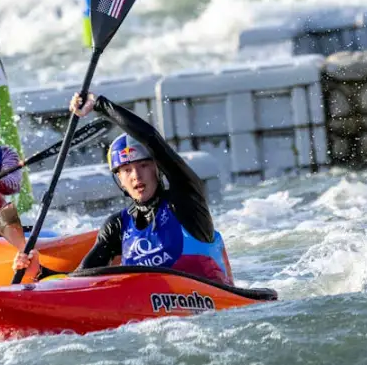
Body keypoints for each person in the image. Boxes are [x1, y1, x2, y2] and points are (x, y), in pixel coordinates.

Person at [13, 92, 234, 286]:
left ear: (157, 169)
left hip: (212, 306)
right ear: (118, 179)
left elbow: (152, 139)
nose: (136, 176)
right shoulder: (117, 226)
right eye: (126, 170)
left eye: (144, 165)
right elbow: (79, 281)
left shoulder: (186, 200)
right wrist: (39, 273)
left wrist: (100, 104)